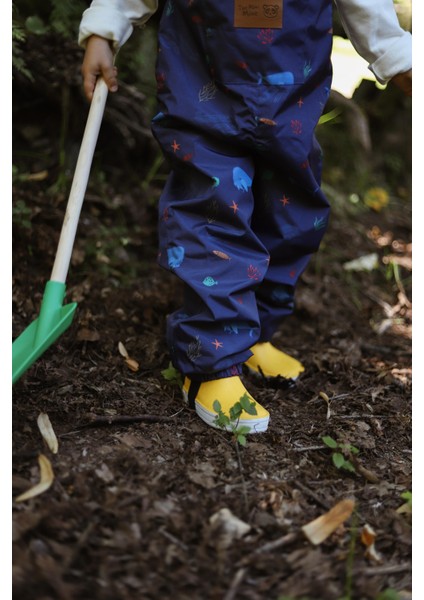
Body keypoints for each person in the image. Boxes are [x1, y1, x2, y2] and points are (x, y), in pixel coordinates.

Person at [79, 0, 412, 434]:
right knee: (213, 216)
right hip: (203, 95)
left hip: (291, 105)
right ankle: (211, 362)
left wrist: (399, 56)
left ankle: (254, 331)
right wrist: (103, 30)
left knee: (295, 219)